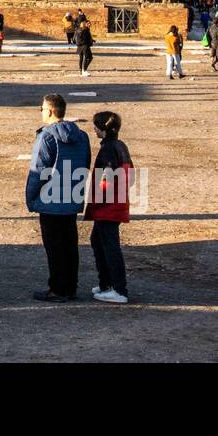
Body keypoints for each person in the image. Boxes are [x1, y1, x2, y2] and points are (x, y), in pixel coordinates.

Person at [25, 94, 90, 302]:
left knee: (54, 247)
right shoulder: (82, 136)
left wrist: (31, 197)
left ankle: (57, 289)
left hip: (51, 199)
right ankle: (70, 287)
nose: (41, 111)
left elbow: (38, 170)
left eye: (42, 108)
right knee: (70, 244)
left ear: (51, 110)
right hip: (72, 197)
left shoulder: (46, 136)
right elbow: (85, 163)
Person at [84, 110, 133, 304]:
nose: (93, 128)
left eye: (96, 125)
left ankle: (118, 289)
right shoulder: (120, 145)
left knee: (109, 246)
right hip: (115, 203)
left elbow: (109, 177)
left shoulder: (108, 149)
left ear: (103, 129)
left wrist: (100, 196)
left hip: (108, 206)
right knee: (98, 241)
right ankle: (106, 284)